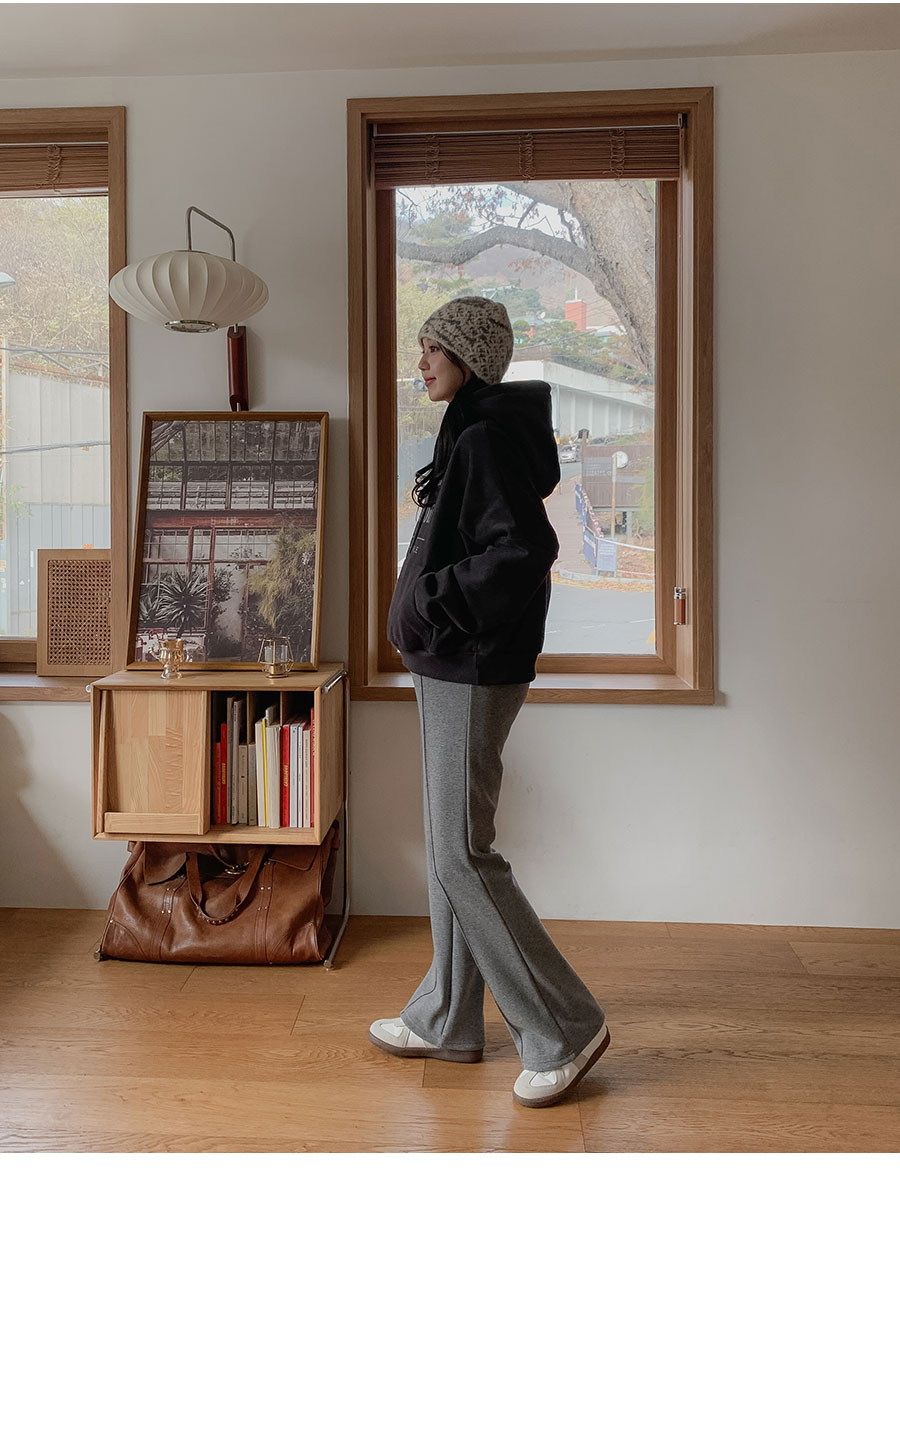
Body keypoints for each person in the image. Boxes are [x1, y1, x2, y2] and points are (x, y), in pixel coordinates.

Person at [369, 294, 610, 1109]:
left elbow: (524, 552)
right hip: (451, 664)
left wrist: (431, 600)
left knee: (460, 853)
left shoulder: (482, 436)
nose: (421, 361)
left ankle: (565, 1027)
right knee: (451, 845)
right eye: (421, 346)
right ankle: (446, 1016)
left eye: (434, 347)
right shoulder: (468, 428)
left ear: (470, 357)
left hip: (470, 667)